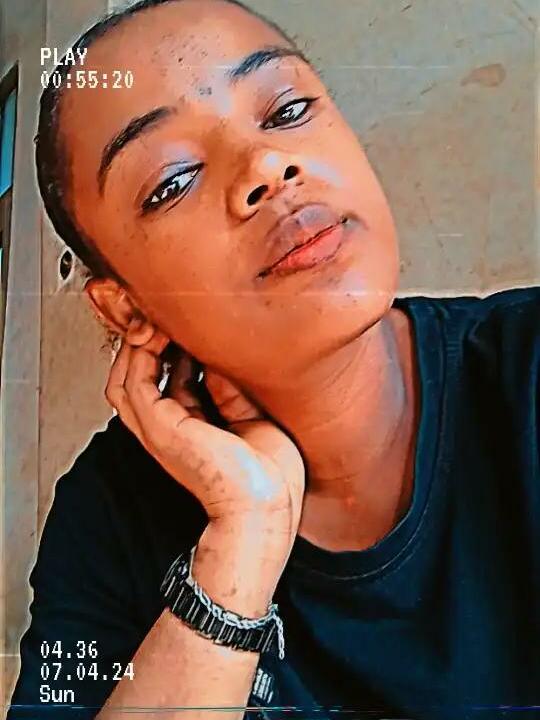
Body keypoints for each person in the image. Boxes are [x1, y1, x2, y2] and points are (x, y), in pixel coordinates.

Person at [7, 0, 540, 718]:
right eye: (173, 180)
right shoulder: (108, 517)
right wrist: (242, 545)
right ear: (127, 309)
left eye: (287, 110)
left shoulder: (525, 369)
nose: (266, 164)